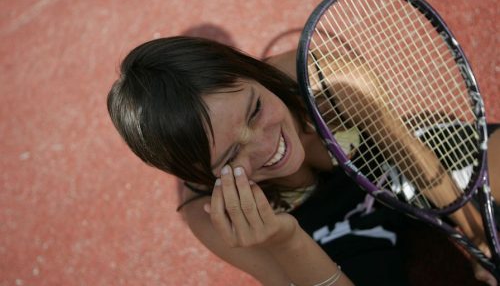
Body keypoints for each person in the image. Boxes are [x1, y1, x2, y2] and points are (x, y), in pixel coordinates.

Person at [107, 36, 499, 286]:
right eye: (231, 156)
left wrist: (482, 242)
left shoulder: (326, 78)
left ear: (253, 72)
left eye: (256, 109)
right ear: (203, 175)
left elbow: (407, 149)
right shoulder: (208, 214)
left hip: (385, 158)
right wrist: (287, 240)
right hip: (317, 231)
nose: (264, 146)